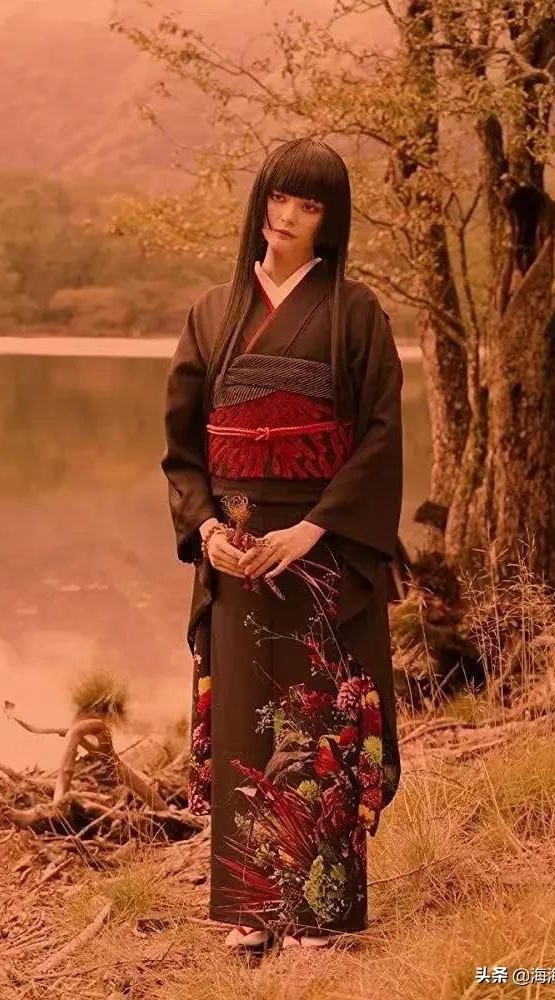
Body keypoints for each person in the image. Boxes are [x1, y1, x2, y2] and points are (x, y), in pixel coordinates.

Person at [161, 137, 404, 951]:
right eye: (278, 197)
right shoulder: (212, 311)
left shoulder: (356, 312)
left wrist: (311, 529)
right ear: (260, 202)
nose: (288, 216)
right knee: (245, 722)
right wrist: (206, 531)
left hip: (321, 546)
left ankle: (319, 912)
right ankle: (250, 908)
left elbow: (379, 438)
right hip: (236, 553)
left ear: (330, 221)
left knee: (318, 723)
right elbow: (183, 447)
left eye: (309, 204)